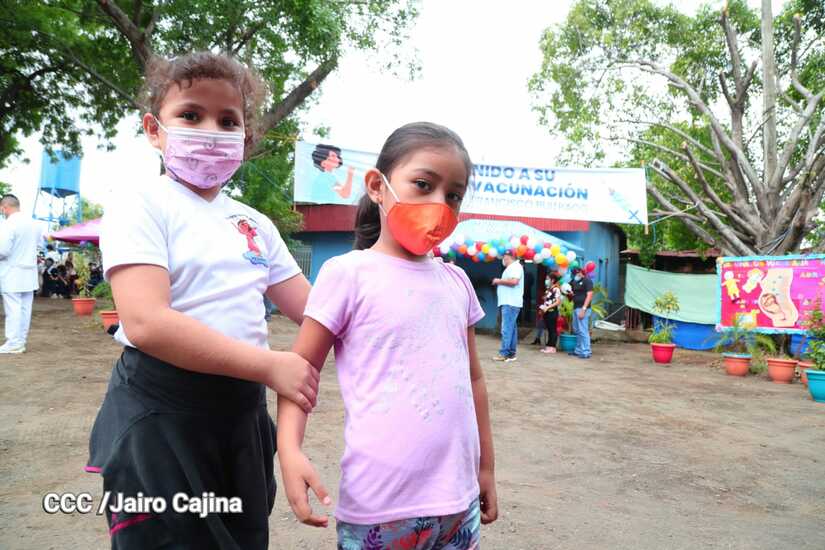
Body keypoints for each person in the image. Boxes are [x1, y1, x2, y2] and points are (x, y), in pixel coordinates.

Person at [85, 51, 320, 549]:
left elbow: (318, 311)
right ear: (154, 129)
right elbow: (147, 322)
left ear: (246, 139)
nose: (211, 131)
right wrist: (270, 365)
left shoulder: (255, 224)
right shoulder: (141, 204)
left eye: (228, 120)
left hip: (241, 419)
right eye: (191, 115)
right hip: (161, 417)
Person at [277, 122, 498, 548]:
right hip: (380, 510)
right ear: (378, 187)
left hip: (459, 505)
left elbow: (474, 380)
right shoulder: (348, 274)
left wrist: (485, 468)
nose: (440, 204)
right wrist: (289, 449)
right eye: (423, 185)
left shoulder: (457, 282)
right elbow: (299, 371)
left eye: (453, 195)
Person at [0, 194, 42, 353]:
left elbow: (3, 250)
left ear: (5, 207)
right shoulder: (35, 223)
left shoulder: (8, 224)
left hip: (12, 271)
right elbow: (38, 245)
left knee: (13, 309)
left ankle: (13, 342)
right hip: (29, 271)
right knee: (25, 308)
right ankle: (20, 341)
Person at [492, 251, 524, 362]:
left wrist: (498, 281)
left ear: (509, 257)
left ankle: (504, 353)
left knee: (506, 329)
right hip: (510, 302)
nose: (503, 260)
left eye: (505, 257)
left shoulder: (515, 267)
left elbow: (514, 281)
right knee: (511, 329)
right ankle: (511, 353)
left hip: (510, 302)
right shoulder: (512, 267)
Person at [568, 266, 594, 359]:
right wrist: (570, 294)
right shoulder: (574, 281)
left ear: (581, 272)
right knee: (577, 330)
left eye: (577, 273)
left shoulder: (587, 281)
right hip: (575, 307)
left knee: (583, 330)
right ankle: (578, 350)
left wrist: (584, 309)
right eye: (574, 273)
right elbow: (570, 294)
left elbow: (589, 295)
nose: (576, 275)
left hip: (583, 308)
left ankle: (586, 351)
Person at [539, 272, 563, 354]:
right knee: (549, 329)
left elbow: (558, 301)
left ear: (552, 280)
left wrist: (548, 307)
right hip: (546, 312)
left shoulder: (556, 289)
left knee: (552, 330)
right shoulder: (549, 289)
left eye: (547, 279)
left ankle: (552, 347)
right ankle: (549, 346)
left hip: (552, 311)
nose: (546, 280)